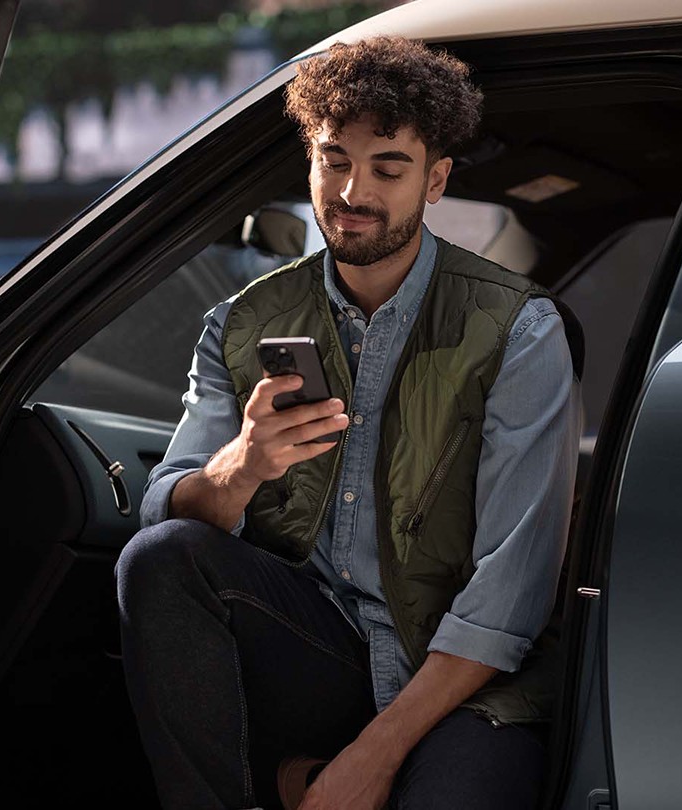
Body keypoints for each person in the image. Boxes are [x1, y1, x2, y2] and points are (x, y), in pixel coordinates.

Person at [116, 35, 583, 810]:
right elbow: (162, 506)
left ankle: (295, 783)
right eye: (333, 160)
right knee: (161, 557)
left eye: (388, 168)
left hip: (462, 683)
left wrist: (370, 760)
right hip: (319, 649)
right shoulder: (240, 322)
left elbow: (510, 597)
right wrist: (242, 470)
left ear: (436, 180)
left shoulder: (518, 330)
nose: (352, 190)